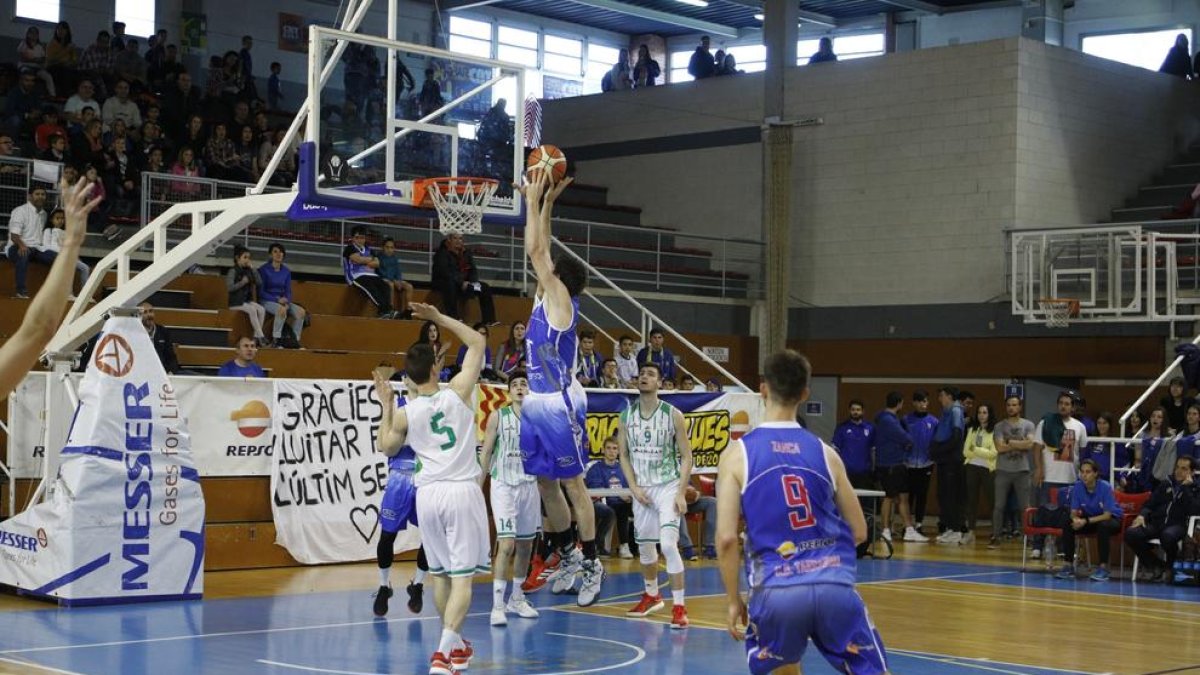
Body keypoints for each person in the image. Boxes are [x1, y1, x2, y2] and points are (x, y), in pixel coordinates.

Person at [716, 350, 889, 675]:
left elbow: (726, 539)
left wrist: (733, 600)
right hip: (833, 586)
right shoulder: (826, 453)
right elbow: (860, 531)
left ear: (763, 389)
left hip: (777, 590)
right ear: (805, 393)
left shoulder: (737, 455)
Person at [374, 303, 489, 675]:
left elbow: (386, 447)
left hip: (427, 496)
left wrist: (386, 406)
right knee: (462, 578)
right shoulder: (458, 392)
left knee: (440, 575)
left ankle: (455, 644)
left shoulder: (406, 412)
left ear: (408, 375)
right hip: (460, 491)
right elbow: (478, 342)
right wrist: (438, 318)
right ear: (436, 368)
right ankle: (442, 653)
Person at [514, 170, 604, 606]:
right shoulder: (544, 296)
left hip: (560, 403)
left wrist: (531, 201)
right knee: (545, 484)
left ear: (557, 278)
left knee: (573, 485)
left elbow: (536, 251)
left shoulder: (561, 301)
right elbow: (542, 246)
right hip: (536, 402)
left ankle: (592, 564)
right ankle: (568, 555)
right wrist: (546, 204)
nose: (542, 270)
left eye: (549, 271)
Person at [619, 362, 693, 628]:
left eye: (651, 374)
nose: (644, 377)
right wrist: (634, 487)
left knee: (669, 545)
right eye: (641, 374)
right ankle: (652, 596)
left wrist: (681, 492)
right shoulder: (626, 416)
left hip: (667, 486)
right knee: (646, 548)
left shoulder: (673, 415)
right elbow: (623, 455)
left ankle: (680, 608)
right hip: (642, 489)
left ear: (660, 383)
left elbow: (687, 456)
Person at [478, 369, 542, 626]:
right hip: (503, 484)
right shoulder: (498, 416)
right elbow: (486, 452)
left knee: (526, 544)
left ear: (529, 390)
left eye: (523, 384)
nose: (519, 387)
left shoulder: (538, 420)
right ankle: (497, 605)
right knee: (506, 545)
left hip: (529, 485)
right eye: (514, 384)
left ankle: (516, 598)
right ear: (509, 391)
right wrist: (478, 484)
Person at [370, 376, 430, 619]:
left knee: (431, 536)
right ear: (405, 380)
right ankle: (384, 585)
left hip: (427, 477)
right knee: (387, 535)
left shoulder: (433, 406)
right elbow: (381, 445)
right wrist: (386, 407)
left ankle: (418, 584)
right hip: (400, 478)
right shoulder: (398, 408)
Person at [1032, 391, 1088, 559]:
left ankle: (1064, 547)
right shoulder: (1045, 422)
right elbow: (1037, 448)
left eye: (1067, 404)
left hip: (1070, 478)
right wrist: (1039, 469)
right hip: (1048, 477)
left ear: (1073, 407)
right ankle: (1037, 546)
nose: (1063, 406)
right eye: (1061, 403)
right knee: (1042, 512)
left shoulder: (1080, 427)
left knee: (1067, 516)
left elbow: (1083, 452)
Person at [1126, 456, 1200, 583]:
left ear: (1192, 472)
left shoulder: (1195, 488)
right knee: (1131, 533)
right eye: (1177, 467)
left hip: (1179, 525)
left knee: (1167, 536)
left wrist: (1185, 488)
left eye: (1184, 469)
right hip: (1156, 523)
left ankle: (1172, 565)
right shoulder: (1166, 483)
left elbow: (1194, 510)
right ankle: (1157, 565)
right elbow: (1150, 503)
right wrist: (1141, 515)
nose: (1178, 471)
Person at [1055, 458, 1122, 582]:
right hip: (1091, 518)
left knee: (1103, 526)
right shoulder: (1078, 486)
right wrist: (1075, 520)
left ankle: (1103, 568)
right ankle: (1068, 565)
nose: (1084, 475)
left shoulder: (1105, 487)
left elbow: (1107, 515)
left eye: (1088, 472)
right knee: (1068, 523)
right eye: (1082, 472)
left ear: (1095, 473)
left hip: (1111, 519)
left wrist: (1085, 521)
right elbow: (1073, 512)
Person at [991, 396, 1036, 549]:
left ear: (1020, 407)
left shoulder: (1028, 424)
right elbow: (999, 448)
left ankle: (1029, 538)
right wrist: (1020, 444)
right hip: (1003, 470)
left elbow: (1030, 444)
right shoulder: (999, 426)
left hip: (1022, 470)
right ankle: (996, 536)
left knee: (1025, 506)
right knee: (999, 506)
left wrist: (1010, 442)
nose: (1011, 408)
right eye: (1009, 405)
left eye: (1014, 405)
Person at [873, 392, 914, 544]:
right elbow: (906, 438)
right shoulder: (888, 420)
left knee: (903, 496)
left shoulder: (892, 419)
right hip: (889, 464)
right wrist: (906, 441)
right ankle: (885, 530)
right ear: (899, 403)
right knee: (889, 497)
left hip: (898, 463)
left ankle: (909, 529)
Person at [431, 233, 497, 326]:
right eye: (455, 238)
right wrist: (461, 282)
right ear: (449, 240)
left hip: (465, 284)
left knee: (484, 287)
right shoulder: (442, 253)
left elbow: (473, 270)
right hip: (445, 284)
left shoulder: (466, 253)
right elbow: (445, 272)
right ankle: (453, 317)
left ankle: (489, 320)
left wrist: (472, 282)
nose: (458, 241)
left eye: (460, 239)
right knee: (450, 283)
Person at [585, 436, 635, 559]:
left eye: (615, 448)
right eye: (608, 448)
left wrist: (629, 497)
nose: (612, 451)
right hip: (601, 503)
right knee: (610, 511)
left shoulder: (624, 469)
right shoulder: (595, 468)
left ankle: (629, 546)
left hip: (621, 504)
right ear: (603, 450)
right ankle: (599, 545)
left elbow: (631, 487)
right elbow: (596, 491)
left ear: (618, 451)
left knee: (630, 507)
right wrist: (618, 494)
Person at [931, 386, 967, 544]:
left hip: (952, 460)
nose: (940, 398)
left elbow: (956, 437)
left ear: (950, 396)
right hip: (944, 460)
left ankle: (957, 530)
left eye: (942, 395)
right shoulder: (946, 411)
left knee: (952, 496)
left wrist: (940, 450)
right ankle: (951, 528)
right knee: (943, 495)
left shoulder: (956, 411)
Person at [7, 186, 56, 299]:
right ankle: (21, 292)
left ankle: (54, 293)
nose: (40, 197)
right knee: (23, 254)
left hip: (36, 249)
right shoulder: (20, 211)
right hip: (17, 247)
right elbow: (14, 235)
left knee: (57, 258)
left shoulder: (44, 214)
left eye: (43, 194)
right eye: (37, 194)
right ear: (29, 196)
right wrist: (22, 245)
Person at [961, 403, 997, 547]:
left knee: (993, 501)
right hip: (972, 467)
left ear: (990, 414)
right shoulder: (972, 429)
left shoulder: (995, 431)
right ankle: (971, 532)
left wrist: (975, 449)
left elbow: (993, 453)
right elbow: (965, 451)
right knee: (971, 501)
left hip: (988, 469)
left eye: (984, 412)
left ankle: (995, 532)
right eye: (979, 412)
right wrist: (981, 451)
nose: (981, 415)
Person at [259, 243, 306, 349]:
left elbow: (288, 291)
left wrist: (287, 302)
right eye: (275, 251)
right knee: (281, 310)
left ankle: (294, 341)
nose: (278, 254)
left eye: (281, 252)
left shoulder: (286, 271)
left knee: (301, 312)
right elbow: (261, 292)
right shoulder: (263, 270)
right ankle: (277, 341)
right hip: (267, 300)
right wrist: (277, 300)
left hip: (283, 301)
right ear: (270, 255)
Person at [344, 226, 396, 318]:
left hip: (372, 275)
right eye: (357, 238)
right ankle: (385, 310)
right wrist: (370, 259)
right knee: (372, 289)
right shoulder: (350, 248)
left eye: (362, 238)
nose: (360, 240)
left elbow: (377, 263)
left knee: (385, 286)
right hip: (356, 276)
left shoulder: (369, 249)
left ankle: (387, 311)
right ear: (352, 238)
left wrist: (364, 260)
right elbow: (358, 260)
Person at [41, 208, 89, 297]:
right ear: (51, 219)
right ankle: (68, 293)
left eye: (62, 218)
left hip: (68, 256)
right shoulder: (48, 231)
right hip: (55, 256)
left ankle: (85, 295)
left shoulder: (66, 232)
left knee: (85, 268)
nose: (60, 221)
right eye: (57, 218)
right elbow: (47, 246)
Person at [225, 245, 267, 346]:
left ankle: (256, 337)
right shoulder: (233, 271)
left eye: (248, 257)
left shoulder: (248, 270)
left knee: (261, 309)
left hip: (246, 301)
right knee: (252, 310)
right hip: (235, 302)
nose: (247, 260)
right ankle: (261, 337)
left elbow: (259, 282)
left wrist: (253, 269)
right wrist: (242, 283)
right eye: (245, 257)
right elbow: (230, 287)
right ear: (237, 258)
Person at [831, 400, 875, 488]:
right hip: (845, 472)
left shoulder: (870, 428)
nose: (855, 412)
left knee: (863, 496)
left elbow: (873, 450)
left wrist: (873, 468)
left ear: (863, 411)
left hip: (864, 472)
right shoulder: (842, 428)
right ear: (849, 411)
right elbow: (834, 450)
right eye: (853, 410)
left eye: (858, 410)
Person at [375, 238, 413, 320]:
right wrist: (393, 280)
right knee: (390, 285)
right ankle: (390, 310)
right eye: (387, 247)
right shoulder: (378, 257)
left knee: (409, 286)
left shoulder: (394, 258)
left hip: (393, 279)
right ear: (382, 247)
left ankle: (408, 311)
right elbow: (381, 272)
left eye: (391, 247)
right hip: (382, 279)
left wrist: (399, 280)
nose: (389, 250)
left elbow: (398, 271)